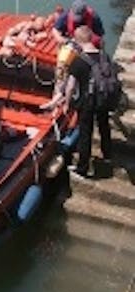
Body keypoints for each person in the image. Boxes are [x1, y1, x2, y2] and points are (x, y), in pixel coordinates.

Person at [64, 26, 112, 178]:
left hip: (87, 102)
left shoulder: (78, 61)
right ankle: (107, 155)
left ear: (78, 42)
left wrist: (66, 103)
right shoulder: (105, 56)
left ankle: (83, 167)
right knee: (104, 127)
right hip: (104, 99)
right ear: (91, 38)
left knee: (85, 133)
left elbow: (70, 87)